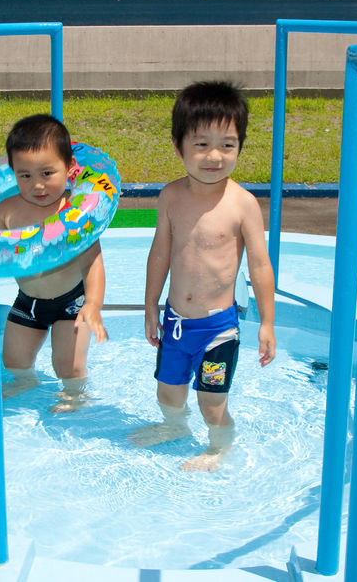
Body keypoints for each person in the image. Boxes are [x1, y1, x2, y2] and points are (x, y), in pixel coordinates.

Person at [131, 81, 276, 471]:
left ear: (240, 147)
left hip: (217, 329)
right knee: (168, 394)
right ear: (178, 147)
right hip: (176, 323)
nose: (215, 156)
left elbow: (260, 265)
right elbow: (160, 252)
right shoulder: (171, 197)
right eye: (202, 144)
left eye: (227, 145)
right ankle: (174, 428)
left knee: (211, 403)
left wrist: (267, 323)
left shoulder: (242, 204)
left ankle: (219, 447)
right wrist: (150, 306)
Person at [0, 114, 108, 413]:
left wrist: (93, 305)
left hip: (71, 303)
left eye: (47, 173)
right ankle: (26, 382)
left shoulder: (74, 215)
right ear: (12, 173)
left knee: (67, 366)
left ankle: (76, 393)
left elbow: (93, 263)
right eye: (26, 175)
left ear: (70, 168)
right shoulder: (6, 211)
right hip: (28, 301)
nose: (38, 185)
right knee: (14, 361)